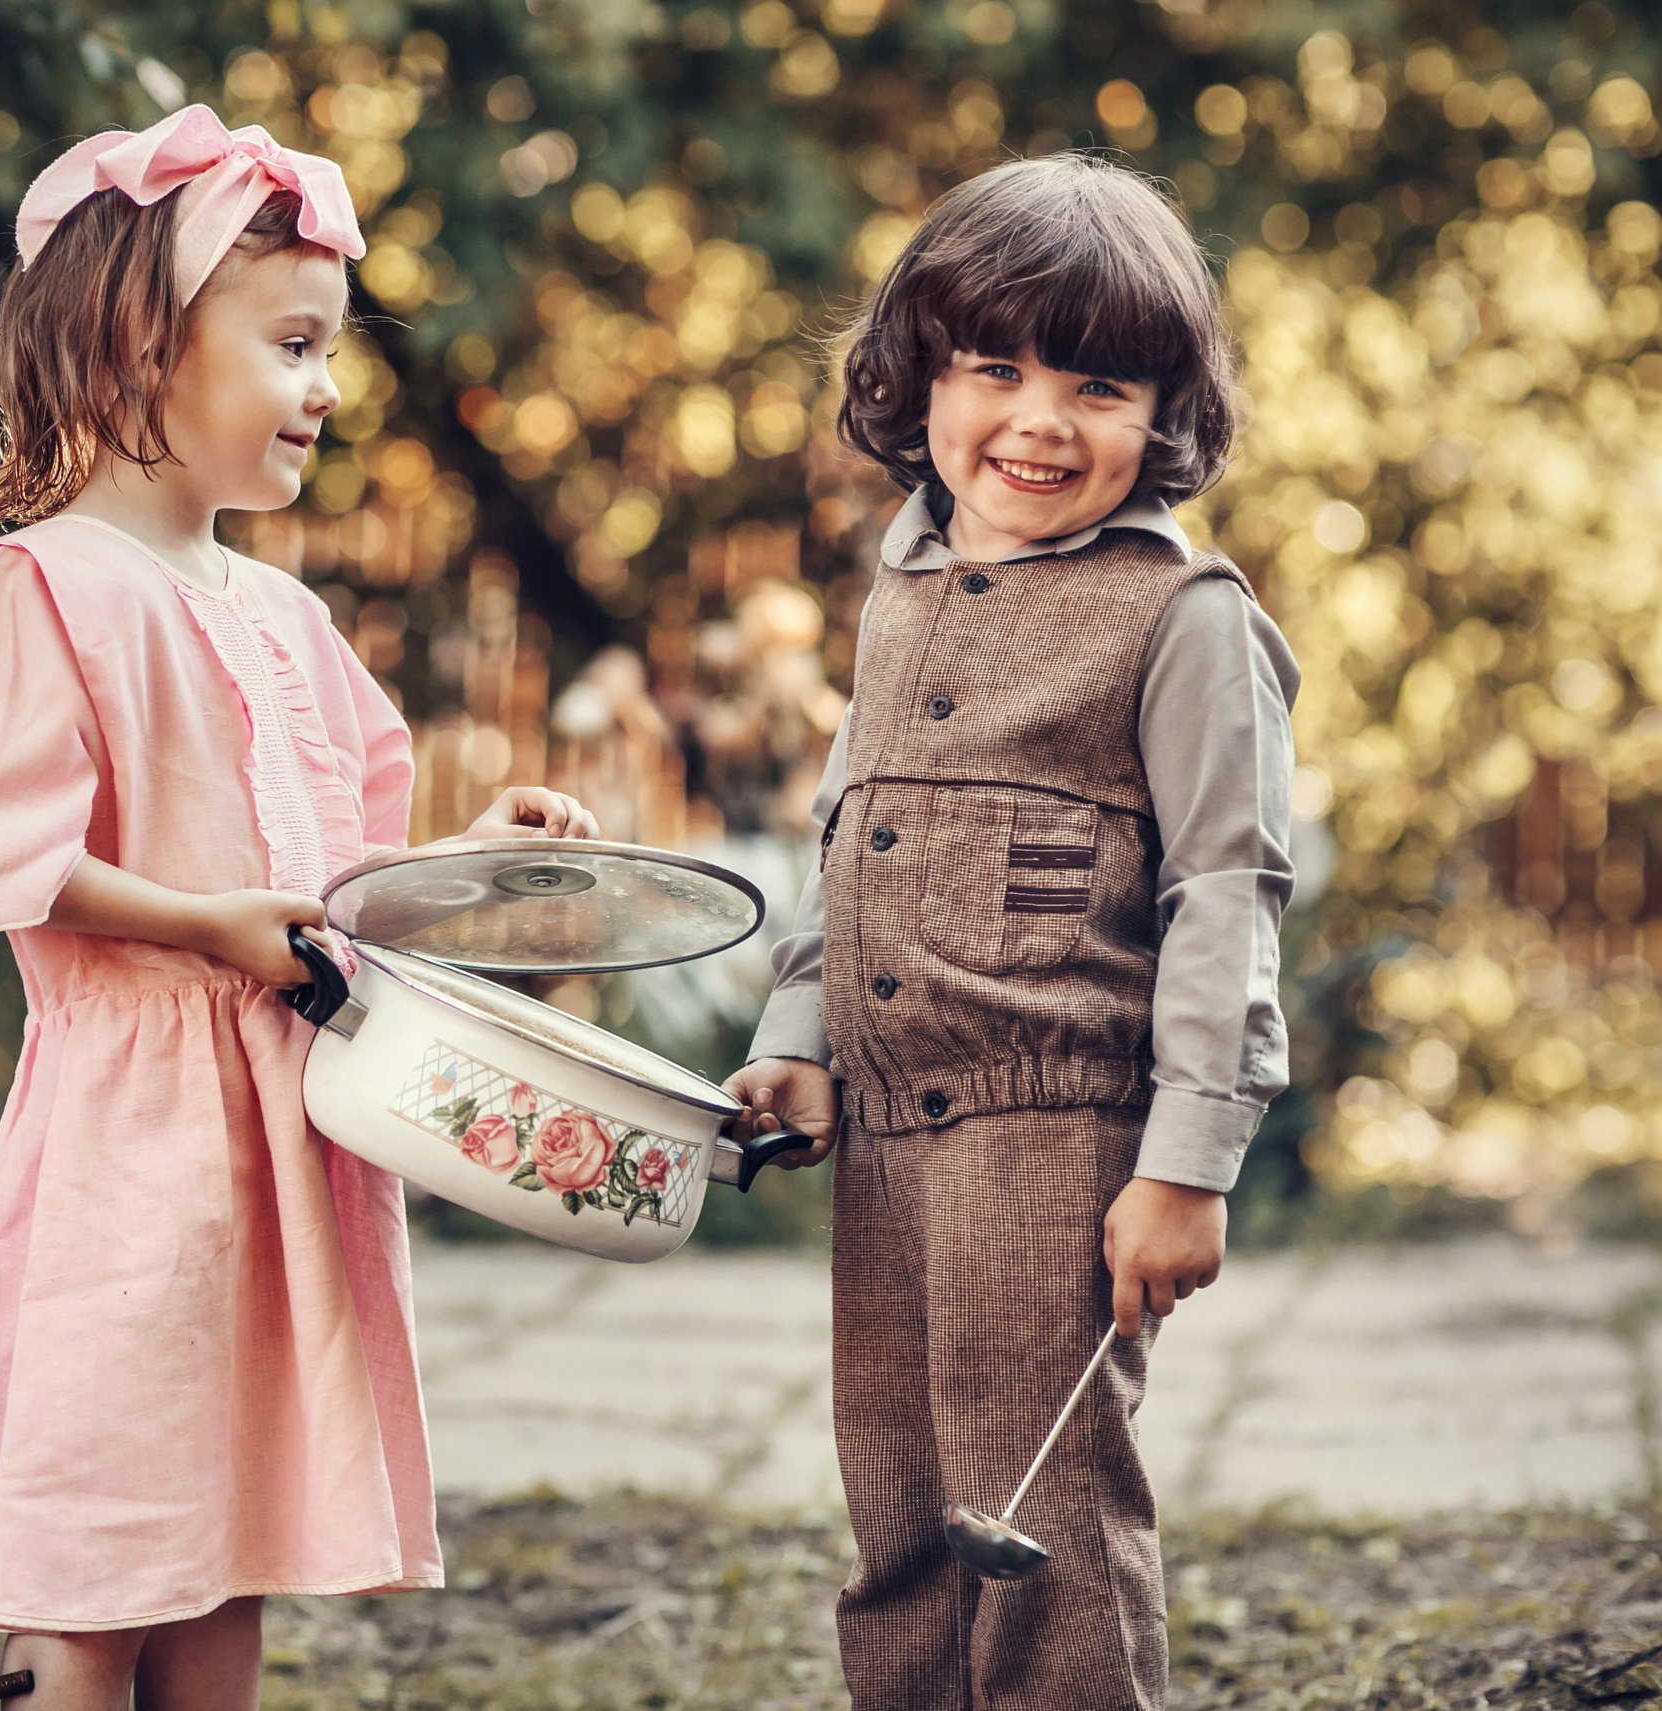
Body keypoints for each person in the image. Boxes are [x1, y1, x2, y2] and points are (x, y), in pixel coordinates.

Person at [0, 106, 596, 1711]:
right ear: (141, 352)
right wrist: (205, 927)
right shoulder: (43, 586)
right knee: (107, 1538)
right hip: (134, 1137)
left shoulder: (283, 616)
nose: (327, 387)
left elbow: (336, 891)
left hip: (282, 1128)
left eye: (327, 348)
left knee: (230, 1532)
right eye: (290, 343)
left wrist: (473, 857)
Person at [723, 153, 1298, 1708]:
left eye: (1098, 383)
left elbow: (1228, 895)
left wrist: (1187, 1163)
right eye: (996, 367)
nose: (1040, 421)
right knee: (904, 1526)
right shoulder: (899, 589)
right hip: (894, 1144)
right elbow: (849, 832)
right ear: (918, 376)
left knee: (1042, 1525)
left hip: (1060, 1144)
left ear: (1164, 413)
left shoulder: (1183, 620)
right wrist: (797, 1036)